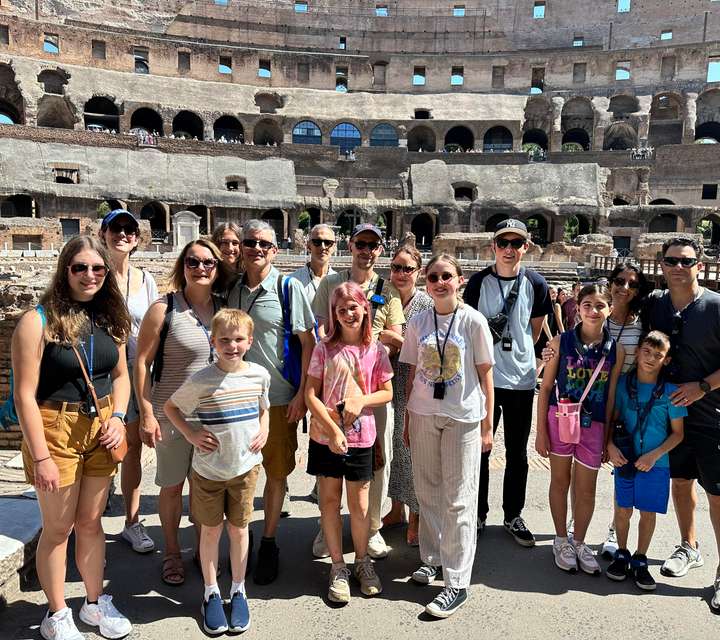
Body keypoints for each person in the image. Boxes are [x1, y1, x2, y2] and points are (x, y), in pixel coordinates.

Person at [14, 235, 133, 640]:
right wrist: (41, 457)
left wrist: (119, 417)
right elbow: (24, 395)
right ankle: (57, 612)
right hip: (55, 428)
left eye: (98, 268)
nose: (89, 275)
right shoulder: (38, 321)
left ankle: (94, 603)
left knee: (91, 523)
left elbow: (120, 376)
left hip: (101, 427)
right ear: (65, 270)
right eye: (80, 267)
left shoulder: (111, 317)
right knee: (58, 528)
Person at [164, 309, 270, 634]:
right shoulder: (201, 380)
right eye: (224, 339)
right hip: (208, 472)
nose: (231, 345)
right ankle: (211, 592)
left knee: (239, 530)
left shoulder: (259, 375)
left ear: (249, 342)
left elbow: (263, 408)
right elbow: (171, 407)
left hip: (245, 469)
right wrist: (191, 434)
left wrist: (265, 429)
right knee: (210, 531)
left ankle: (238, 589)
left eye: (238, 339)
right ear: (213, 341)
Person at [400, 254, 494, 618]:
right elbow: (412, 373)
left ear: (459, 280)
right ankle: (432, 557)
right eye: (433, 277)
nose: (440, 282)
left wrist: (487, 425)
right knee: (427, 490)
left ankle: (457, 581)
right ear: (426, 282)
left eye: (446, 276)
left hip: (463, 416)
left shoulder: (473, 321)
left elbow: (486, 374)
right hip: (424, 413)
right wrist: (408, 416)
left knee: (458, 498)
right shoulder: (419, 321)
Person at [135, 238, 231, 587]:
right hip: (172, 415)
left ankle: (203, 552)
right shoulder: (165, 308)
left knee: (206, 489)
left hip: (213, 416)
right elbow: (142, 363)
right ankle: (172, 553)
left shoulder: (224, 308)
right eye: (193, 262)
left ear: (217, 268)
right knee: (173, 487)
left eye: (208, 262)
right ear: (183, 266)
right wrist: (146, 413)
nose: (201, 268)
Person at [227, 219, 315, 585]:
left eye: (264, 244)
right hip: (236, 399)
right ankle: (241, 540)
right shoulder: (232, 289)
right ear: (242, 247)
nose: (257, 249)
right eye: (251, 242)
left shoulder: (287, 287)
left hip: (277, 399)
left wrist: (302, 394)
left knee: (276, 474)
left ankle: (268, 542)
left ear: (275, 250)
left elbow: (308, 344)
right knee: (237, 474)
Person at [312, 223, 404, 559]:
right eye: (361, 244)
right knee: (329, 456)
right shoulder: (331, 283)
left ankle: (372, 526)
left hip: (371, 380)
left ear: (380, 249)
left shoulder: (387, 290)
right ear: (350, 246)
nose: (366, 250)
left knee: (376, 460)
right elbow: (321, 327)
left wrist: (371, 349)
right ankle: (327, 527)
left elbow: (396, 335)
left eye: (372, 245)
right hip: (334, 377)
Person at [641, 237, 720, 609]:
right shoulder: (655, 305)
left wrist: (702, 386)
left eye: (686, 262)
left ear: (699, 266)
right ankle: (689, 545)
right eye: (671, 261)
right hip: (670, 414)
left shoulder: (715, 306)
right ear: (662, 265)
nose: (678, 267)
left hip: (711, 414)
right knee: (681, 480)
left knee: (717, 493)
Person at [463, 219, 551, 545]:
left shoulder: (536, 283)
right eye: (504, 243)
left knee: (517, 453)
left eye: (516, 243)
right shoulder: (478, 283)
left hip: (521, 381)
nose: (509, 249)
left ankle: (513, 514)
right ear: (494, 246)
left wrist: (523, 359)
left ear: (526, 247)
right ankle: (478, 512)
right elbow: (468, 329)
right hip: (484, 379)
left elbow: (535, 331)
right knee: (480, 449)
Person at [305, 282, 393, 603]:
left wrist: (361, 400)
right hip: (326, 437)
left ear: (364, 308)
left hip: (361, 437)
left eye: (353, 307)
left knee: (360, 505)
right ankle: (337, 566)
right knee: (329, 502)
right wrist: (331, 429)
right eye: (341, 310)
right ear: (334, 314)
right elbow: (311, 394)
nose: (348, 314)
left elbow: (386, 392)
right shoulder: (324, 348)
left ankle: (362, 561)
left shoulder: (375, 350)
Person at [535, 284, 625, 575]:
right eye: (587, 305)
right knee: (560, 481)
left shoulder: (616, 350)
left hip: (594, 425)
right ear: (578, 307)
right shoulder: (560, 342)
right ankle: (561, 539)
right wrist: (540, 432)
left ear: (610, 309)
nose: (593, 311)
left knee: (587, 490)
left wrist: (607, 438)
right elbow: (545, 387)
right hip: (560, 418)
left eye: (600, 305)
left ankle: (580, 541)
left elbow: (611, 397)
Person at [605, 331, 685, 591]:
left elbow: (678, 434)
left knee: (647, 512)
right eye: (647, 352)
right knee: (623, 509)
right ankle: (622, 553)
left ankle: (640, 558)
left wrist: (654, 455)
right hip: (625, 459)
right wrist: (610, 446)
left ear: (666, 360)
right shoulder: (623, 385)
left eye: (658, 355)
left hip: (656, 464)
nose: (651, 358)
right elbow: (613, 420)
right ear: (638, 351)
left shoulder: (671, 392)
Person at [99, 209, 159, 555]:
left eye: (129, 229)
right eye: (116, 228)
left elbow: (153, 327)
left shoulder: (145, 279)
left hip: (136, 372)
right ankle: (88, 526)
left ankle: (132, 521)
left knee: (132, 448)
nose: (123, 234)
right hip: (104, 374)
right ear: (103, 234)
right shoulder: (94, 274)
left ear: (137, 238)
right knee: (100, 447)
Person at [379, 245, 433, 546]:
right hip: (386, 381)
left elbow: (428, 348)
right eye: (396, 267)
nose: (401, 274)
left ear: (418, 272)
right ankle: (396, 508)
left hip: (415, 383)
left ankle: (416, 515)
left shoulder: (425, 304)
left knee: (412, 450)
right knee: (393, 448)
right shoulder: (383, 295)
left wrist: (395, 339)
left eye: (407, 269)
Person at [288, 224, 337, 304]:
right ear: (308, 246)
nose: (323, 247)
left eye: (328, 243)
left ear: (334, 247)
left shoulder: (340, 282)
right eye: (317, 242)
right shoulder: (292, 281)